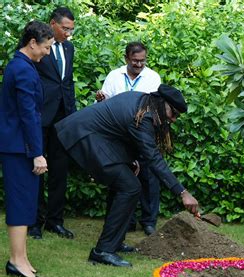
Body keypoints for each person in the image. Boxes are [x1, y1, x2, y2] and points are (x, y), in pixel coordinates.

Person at [55, 84, 200, 267]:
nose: (174, 119)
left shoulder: (143, 102)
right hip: (84, 135)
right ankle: (103, 251)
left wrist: (131, 161)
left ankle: (114, 242)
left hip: (97, 137)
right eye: (174, 113)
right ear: (163, 104)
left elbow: (121, 132)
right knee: (130, 187)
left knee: (126, 185)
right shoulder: (145, 116)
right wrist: (182, 192)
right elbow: (153, 158)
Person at [0, 21, 54, 277]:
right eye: (46, 47)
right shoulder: (21, 69)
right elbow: (28, 115)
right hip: (19, 148)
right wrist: (37, 152)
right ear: (32, 43)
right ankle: (15, 261)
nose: (47, 52)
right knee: (20, 202)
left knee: (25, 202)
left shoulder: (23, 66)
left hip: (20, 147)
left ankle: (20, 258)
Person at [96, 42, 162, 236]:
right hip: (119, 135)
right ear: (126, 59)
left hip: (143, 133)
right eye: (135, 61)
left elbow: (156, 106)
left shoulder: (153, 78)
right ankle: (127, 220)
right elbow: (105, 105)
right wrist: (102, 99)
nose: (139, 64)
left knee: (149, 177)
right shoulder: (113, 76)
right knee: (123, 178)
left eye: (142, 60)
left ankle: (149, 221)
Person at [28, 7, 77, 240]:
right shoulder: (38, 47)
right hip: (39, 116)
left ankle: (55, 221)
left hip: (63, 118)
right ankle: (34, 222)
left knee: (60, 170)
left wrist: (73, 116)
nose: (68, 34)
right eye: (65, 28)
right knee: (37, 169)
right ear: (52, 24)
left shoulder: (69, 47)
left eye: (71, 29)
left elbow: (67, 84)